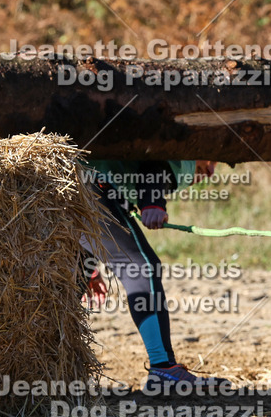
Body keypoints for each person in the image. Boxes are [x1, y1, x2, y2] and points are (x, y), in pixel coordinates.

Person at [81, 159, 223, 392]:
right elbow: (155, 161)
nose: (210, 171)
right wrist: (153, 202)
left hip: (64, 189)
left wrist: (88, 266)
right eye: (211, 160)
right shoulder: (187, 156)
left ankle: (42, 370)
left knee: (73, 277)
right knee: (141, 267)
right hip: (91, 186)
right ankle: (163, 368)